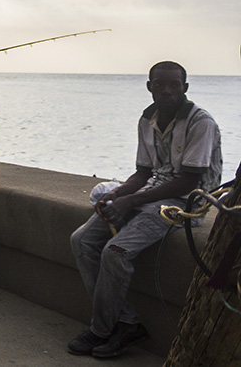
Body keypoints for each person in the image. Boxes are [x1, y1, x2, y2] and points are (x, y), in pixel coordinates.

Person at [67, 62, 222, 359]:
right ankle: (127, 322)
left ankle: (101, 330)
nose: (166, 91)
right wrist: (118, 194)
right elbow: (143, 172)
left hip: (185, 203)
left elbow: (189, 181)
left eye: (174, 85)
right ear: (149, 87)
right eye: (159, 84)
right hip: (150, 193)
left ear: (185, 88)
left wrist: (131, 202)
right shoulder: (147, 119)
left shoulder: (200, 122)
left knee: (116, 251)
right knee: (82, 240)